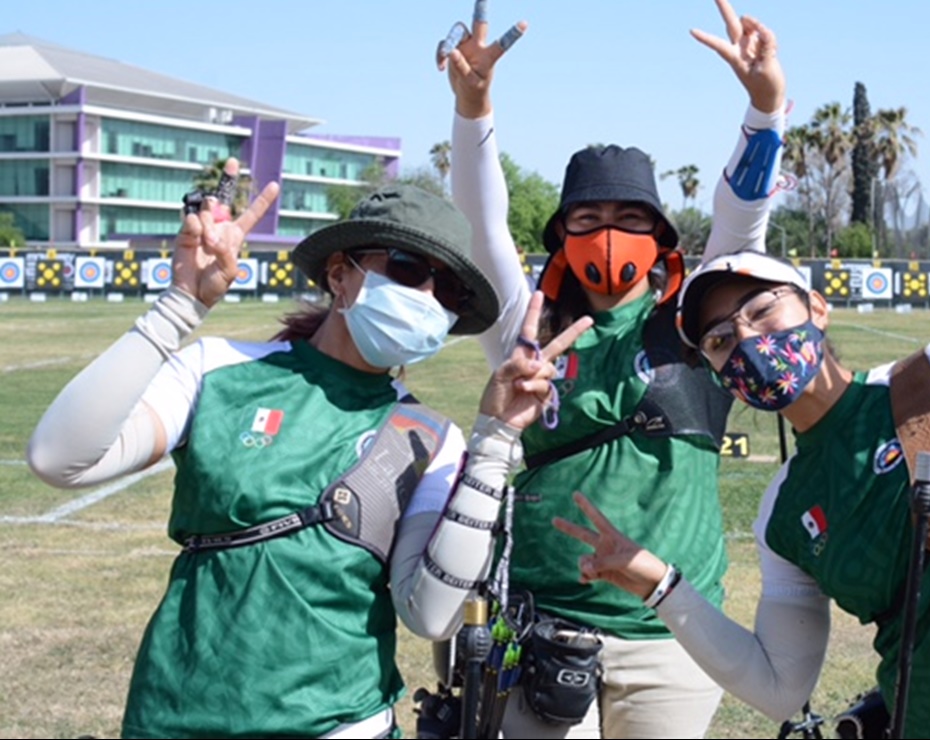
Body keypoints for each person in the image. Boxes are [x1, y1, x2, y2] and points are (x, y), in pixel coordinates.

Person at [554, 154, 930, 739]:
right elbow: (777, 687)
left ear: (816, 308)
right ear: (717, 374)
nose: (745, 340)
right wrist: (658, 582)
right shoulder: (782, 511)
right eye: (720, 340)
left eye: (763, 310)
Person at [25, 165, 592, 739]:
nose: (428, 298)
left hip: (344, 726)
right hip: (175, 716)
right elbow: (59, 458)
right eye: (408, 268)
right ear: (339, 275)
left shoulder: (429, 434)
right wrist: (178, 307)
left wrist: (495, 442)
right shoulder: (218, 370)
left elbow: (432, 613)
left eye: (448, 290)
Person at [438, 0, 786, 736]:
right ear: (560, 234)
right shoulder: (524, 323)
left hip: (674, 634)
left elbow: (742, 214)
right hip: (542, 626)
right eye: (586, 220)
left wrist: (763, 109)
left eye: (630, 220)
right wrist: (473, 112)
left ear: (660, 238)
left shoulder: (697, 321)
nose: (607, 235)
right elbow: (480, 220)